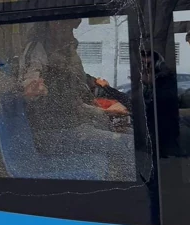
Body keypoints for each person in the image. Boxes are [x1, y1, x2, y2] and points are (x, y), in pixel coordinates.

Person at [19, 19, 135, 180]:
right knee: (129, 145)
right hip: (52, 134)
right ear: (54, 24)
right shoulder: (38, 52)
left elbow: (73, 103)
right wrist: (32, 90)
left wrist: (104, 111)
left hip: (72, 125)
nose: (71, 32)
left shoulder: (65, 51)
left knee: (129, 133)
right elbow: (29, 88)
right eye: (68, 25)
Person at [140, 49, 180, 158]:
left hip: (165, 133)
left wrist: (152, 82)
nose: (145, 67)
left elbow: (163, 102)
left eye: (148, 64)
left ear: (158, 65)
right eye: (143, 64)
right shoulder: (148, 83)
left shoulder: (167, 80)